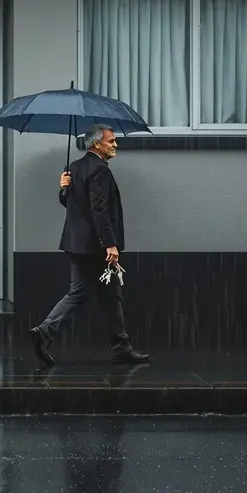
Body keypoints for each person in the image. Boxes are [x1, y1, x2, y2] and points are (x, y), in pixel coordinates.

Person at [29, 124, 151, 367]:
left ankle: (120, 347)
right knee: (90, 295)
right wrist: (110, 244)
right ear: (96, 144)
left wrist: (63, 188)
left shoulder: (75, 167)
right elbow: (99, 209)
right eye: (111, 141)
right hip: (96, 247)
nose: (115, 145)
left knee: (106, 295)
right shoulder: (100, 170)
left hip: (77, 243)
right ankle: (46, 331)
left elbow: (71, 203)